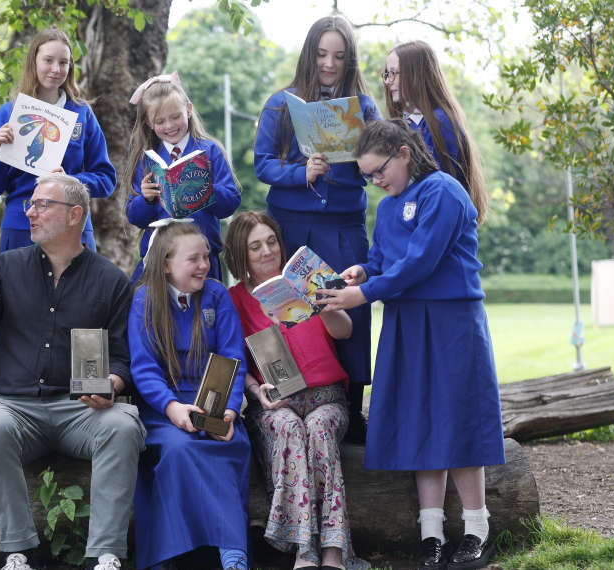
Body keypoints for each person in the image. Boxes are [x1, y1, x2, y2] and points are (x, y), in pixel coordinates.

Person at [316, 120, 505, 570]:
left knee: (457, 417)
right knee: (421, 418)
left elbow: (421, 262)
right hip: (406, 322)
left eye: (379, 171)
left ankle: (477, 528)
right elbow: (384, 260)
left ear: (404, 153)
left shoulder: (444, 192)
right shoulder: (387, 208)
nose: (375, 181)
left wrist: (363, 294)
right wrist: (364, 271)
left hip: (451, 319)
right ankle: (431, 533)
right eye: (367, 176)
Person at [0, 174, 143, 570]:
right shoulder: (7, 267)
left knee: (124, 425)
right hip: (16, 409)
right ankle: (19, 552)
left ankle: (104, 555)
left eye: (42, 204)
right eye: (30, 204)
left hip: (82, 411)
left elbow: (123, 359)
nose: (30, 212)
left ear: (75, 215)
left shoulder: (112, 281)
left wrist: (110, 385)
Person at [253, 15, 380, 441]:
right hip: (292, 224)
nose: (329, 64)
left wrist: (354, 158)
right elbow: (262, 164)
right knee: (292, 312)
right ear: (310, 54)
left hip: (344, 226)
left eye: (339, 57)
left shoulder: (364, 107)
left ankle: (353, 411)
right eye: (322, 54)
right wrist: (299, 172)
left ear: (350, 60)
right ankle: (293, 398)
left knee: (350, 309)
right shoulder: (280, 104)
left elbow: (377, 165)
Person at [224, 211, 369, 570]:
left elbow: (345, 331)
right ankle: (304, 550)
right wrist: (256, 391)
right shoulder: (234, 299)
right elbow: (233, 360)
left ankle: (334, 551)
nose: (267, 251)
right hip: (276, 404)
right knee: (288, 427)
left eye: (271, 241)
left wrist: (321, 304)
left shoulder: (307, 280)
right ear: (241, 254)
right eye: (255, 246)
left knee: (319, 428)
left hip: (326, 397)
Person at [0, 27, 117, 378]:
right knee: (18, 312)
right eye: (48, 60)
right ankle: (14, 393)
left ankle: (85, 389)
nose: (56, 69)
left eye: (64, 62)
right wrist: (0, 152)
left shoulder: (82, 115)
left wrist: (73, 180)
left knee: (81, 309)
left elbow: (106, 178)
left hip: (72, 227)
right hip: (22, 228)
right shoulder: (9, 113)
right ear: (33, 62)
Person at [128, 220, 251, 570]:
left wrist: (228, 411)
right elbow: (144, 368)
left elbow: (232, 357)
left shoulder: (217, 295)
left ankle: (232, 552)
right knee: (179, 449)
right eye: (193, 259)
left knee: (226, 445)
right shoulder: (144, 300)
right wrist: (171, 408)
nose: (204, 265)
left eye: (207, 256)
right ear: (166, 264)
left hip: (215, 402)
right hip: (163, 408)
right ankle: (172, 556)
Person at [124, 73, 241, 282]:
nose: (169, 126)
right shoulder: (146, 160)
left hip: (202, 258)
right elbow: (134, 218)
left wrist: (207, 190)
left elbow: (230, 203)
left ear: (188, 109)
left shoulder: (209, 151)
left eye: (175, 117)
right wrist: (146, 199)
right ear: (149, 122)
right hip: (160, 260)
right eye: (160, 121)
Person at [382, 40, 488, 217]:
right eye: (387, 74)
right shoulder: (409, 122)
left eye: (394, 73)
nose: (388, 81)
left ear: (417, 75)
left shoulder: (439, 124)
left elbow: (437, 197)